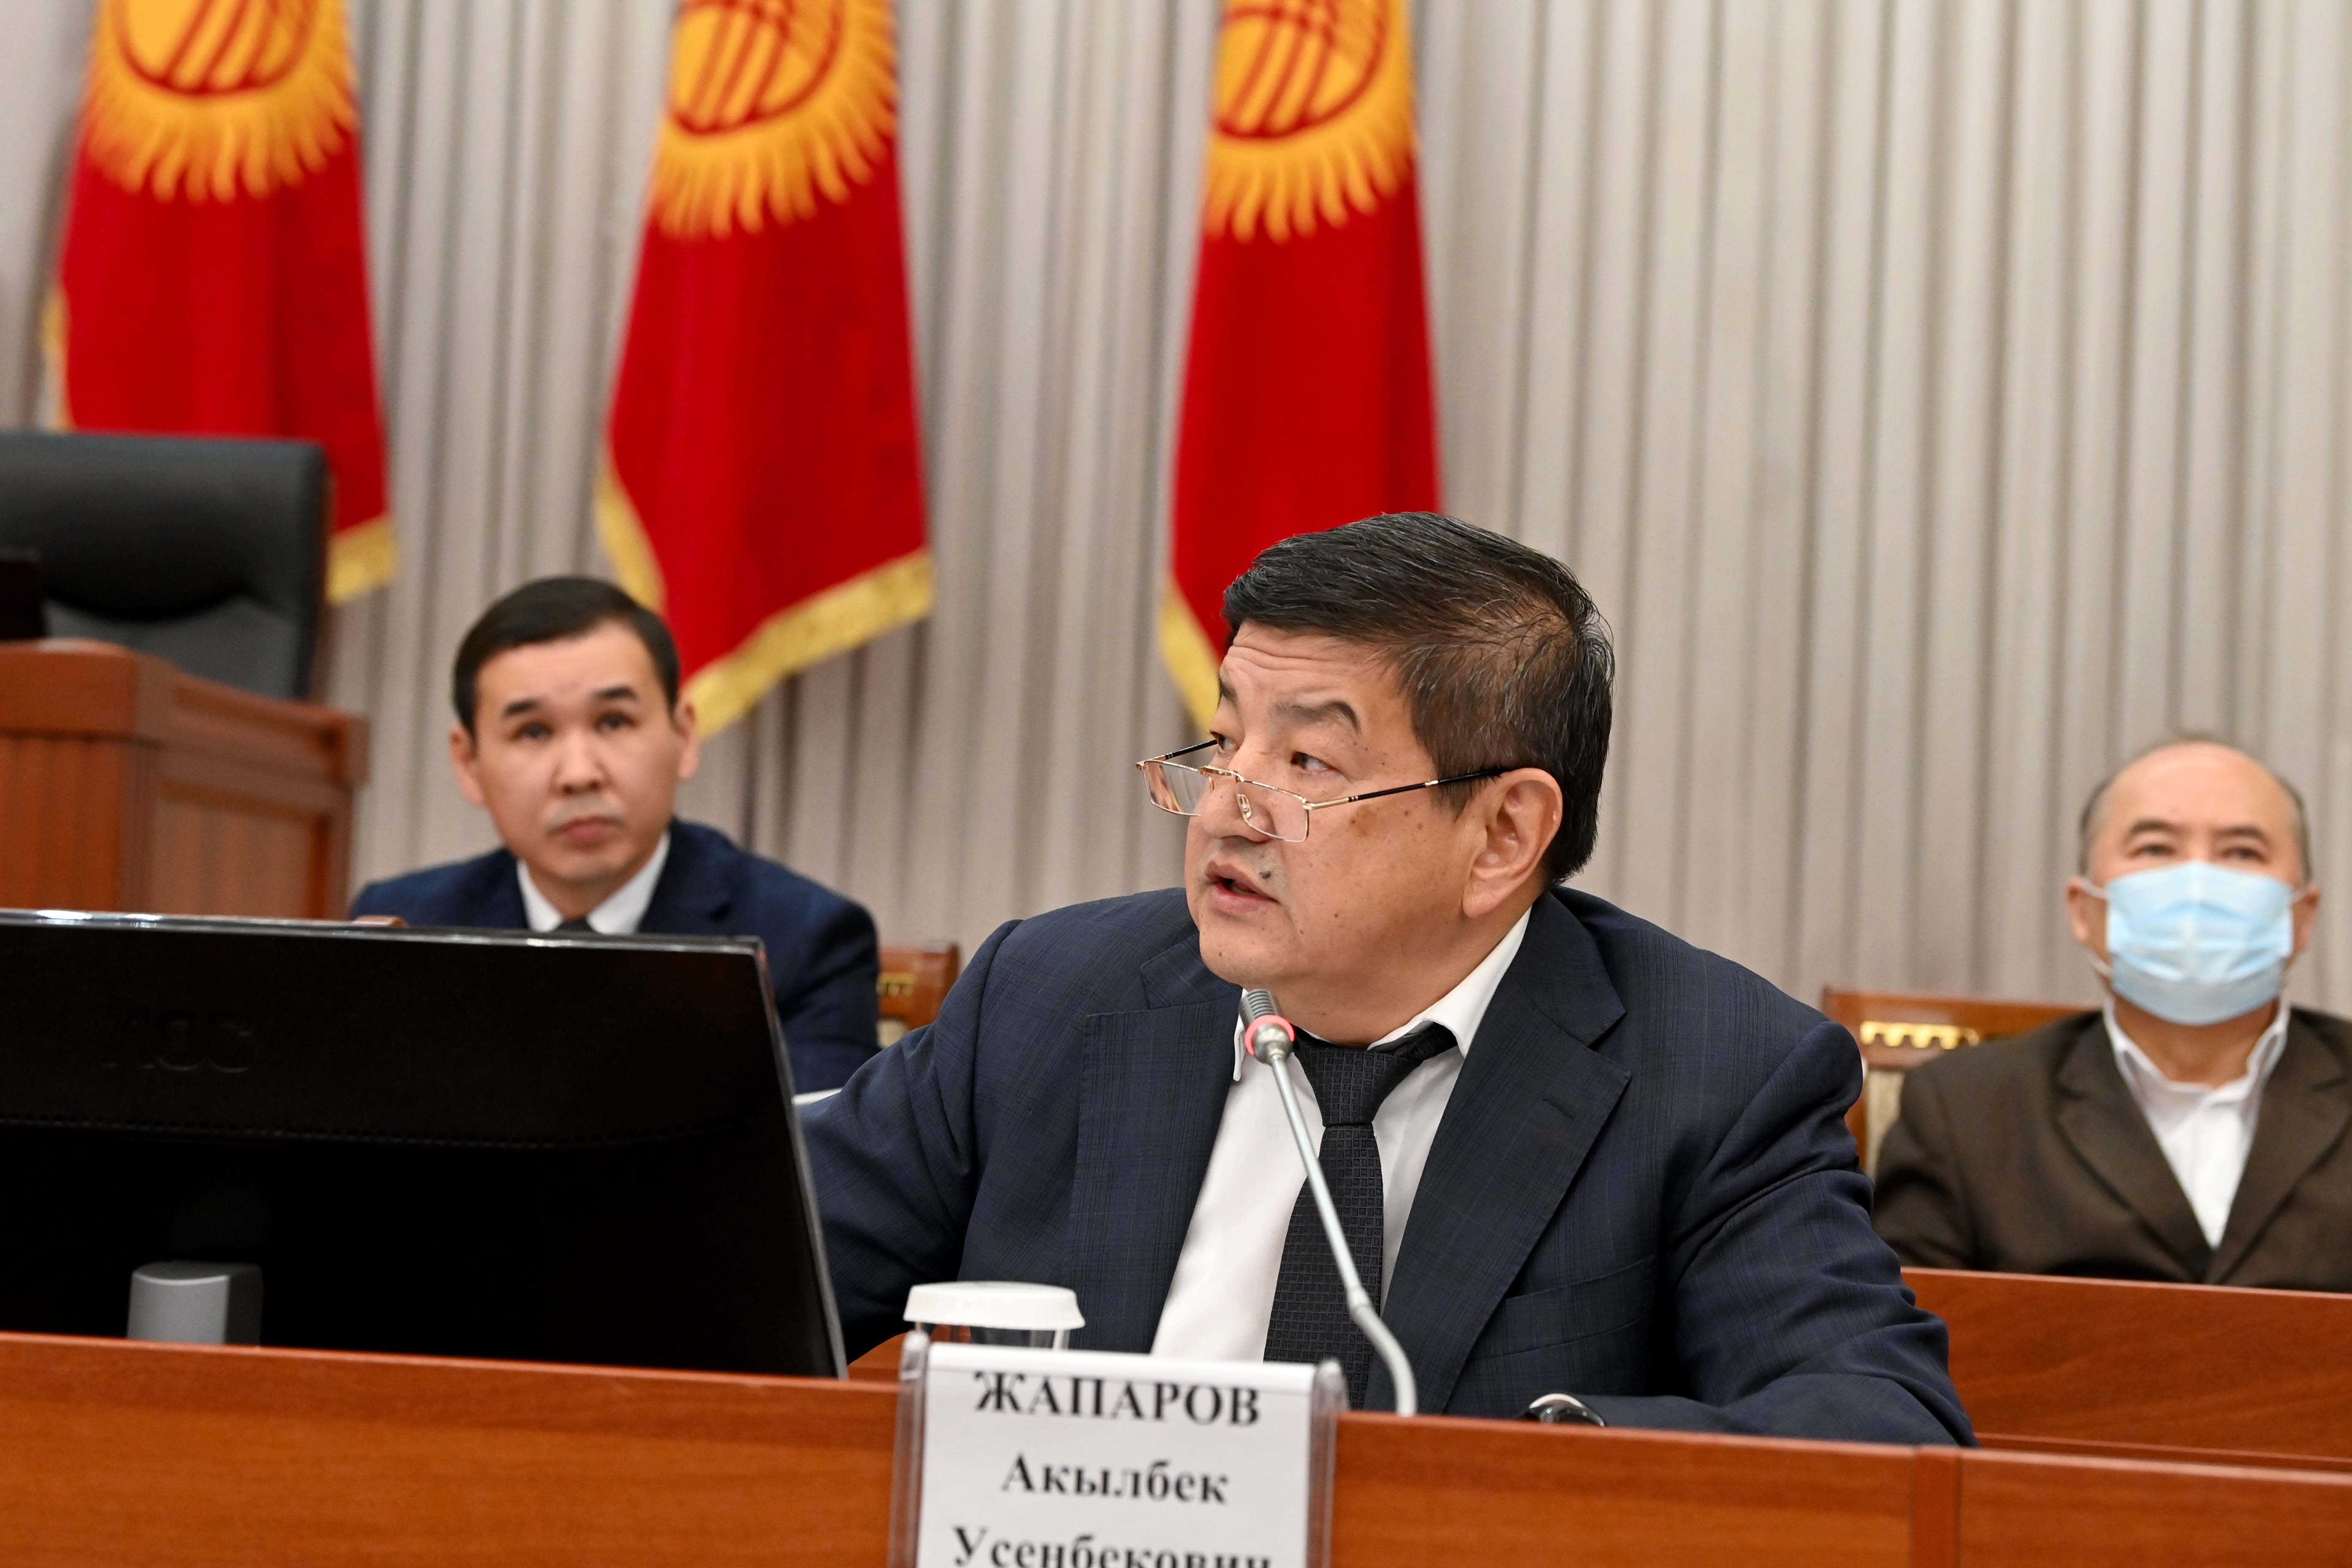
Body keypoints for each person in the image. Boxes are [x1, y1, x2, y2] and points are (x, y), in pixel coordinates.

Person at [805, 513, 1968, 1442]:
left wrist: (1513, 1473)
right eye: (1224, 742)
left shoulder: (1713, 1075)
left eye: (1307, 761)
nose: (1226, 810)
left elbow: (1878, 1427)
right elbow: (749, 1290)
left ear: (1503, 835)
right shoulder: (1051, 995)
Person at [350, 577, 881, 1093]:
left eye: (613, 722)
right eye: (534, 731)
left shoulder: (808, 940)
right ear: (468, 763)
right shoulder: (403, 924)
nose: (579, 773)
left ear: (683, 735)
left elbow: (814, 1151)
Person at [1875, 739, 2350, 1290]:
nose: (2197, 885)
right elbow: (1900, 1325)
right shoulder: (1965, 1110)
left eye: (2242, 853)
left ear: (2303, 915)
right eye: (2155, 848)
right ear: (2084, 909)